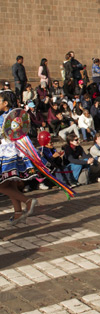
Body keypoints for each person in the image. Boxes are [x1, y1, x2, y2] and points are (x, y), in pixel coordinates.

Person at [0, 91, 38, 225]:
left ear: (5, 103)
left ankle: (28, 201)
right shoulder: (16, 115)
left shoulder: (4, 118)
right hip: (16, 152)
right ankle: (18, 212)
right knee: (9, 183)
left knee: (2, 185)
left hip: (7, 153)